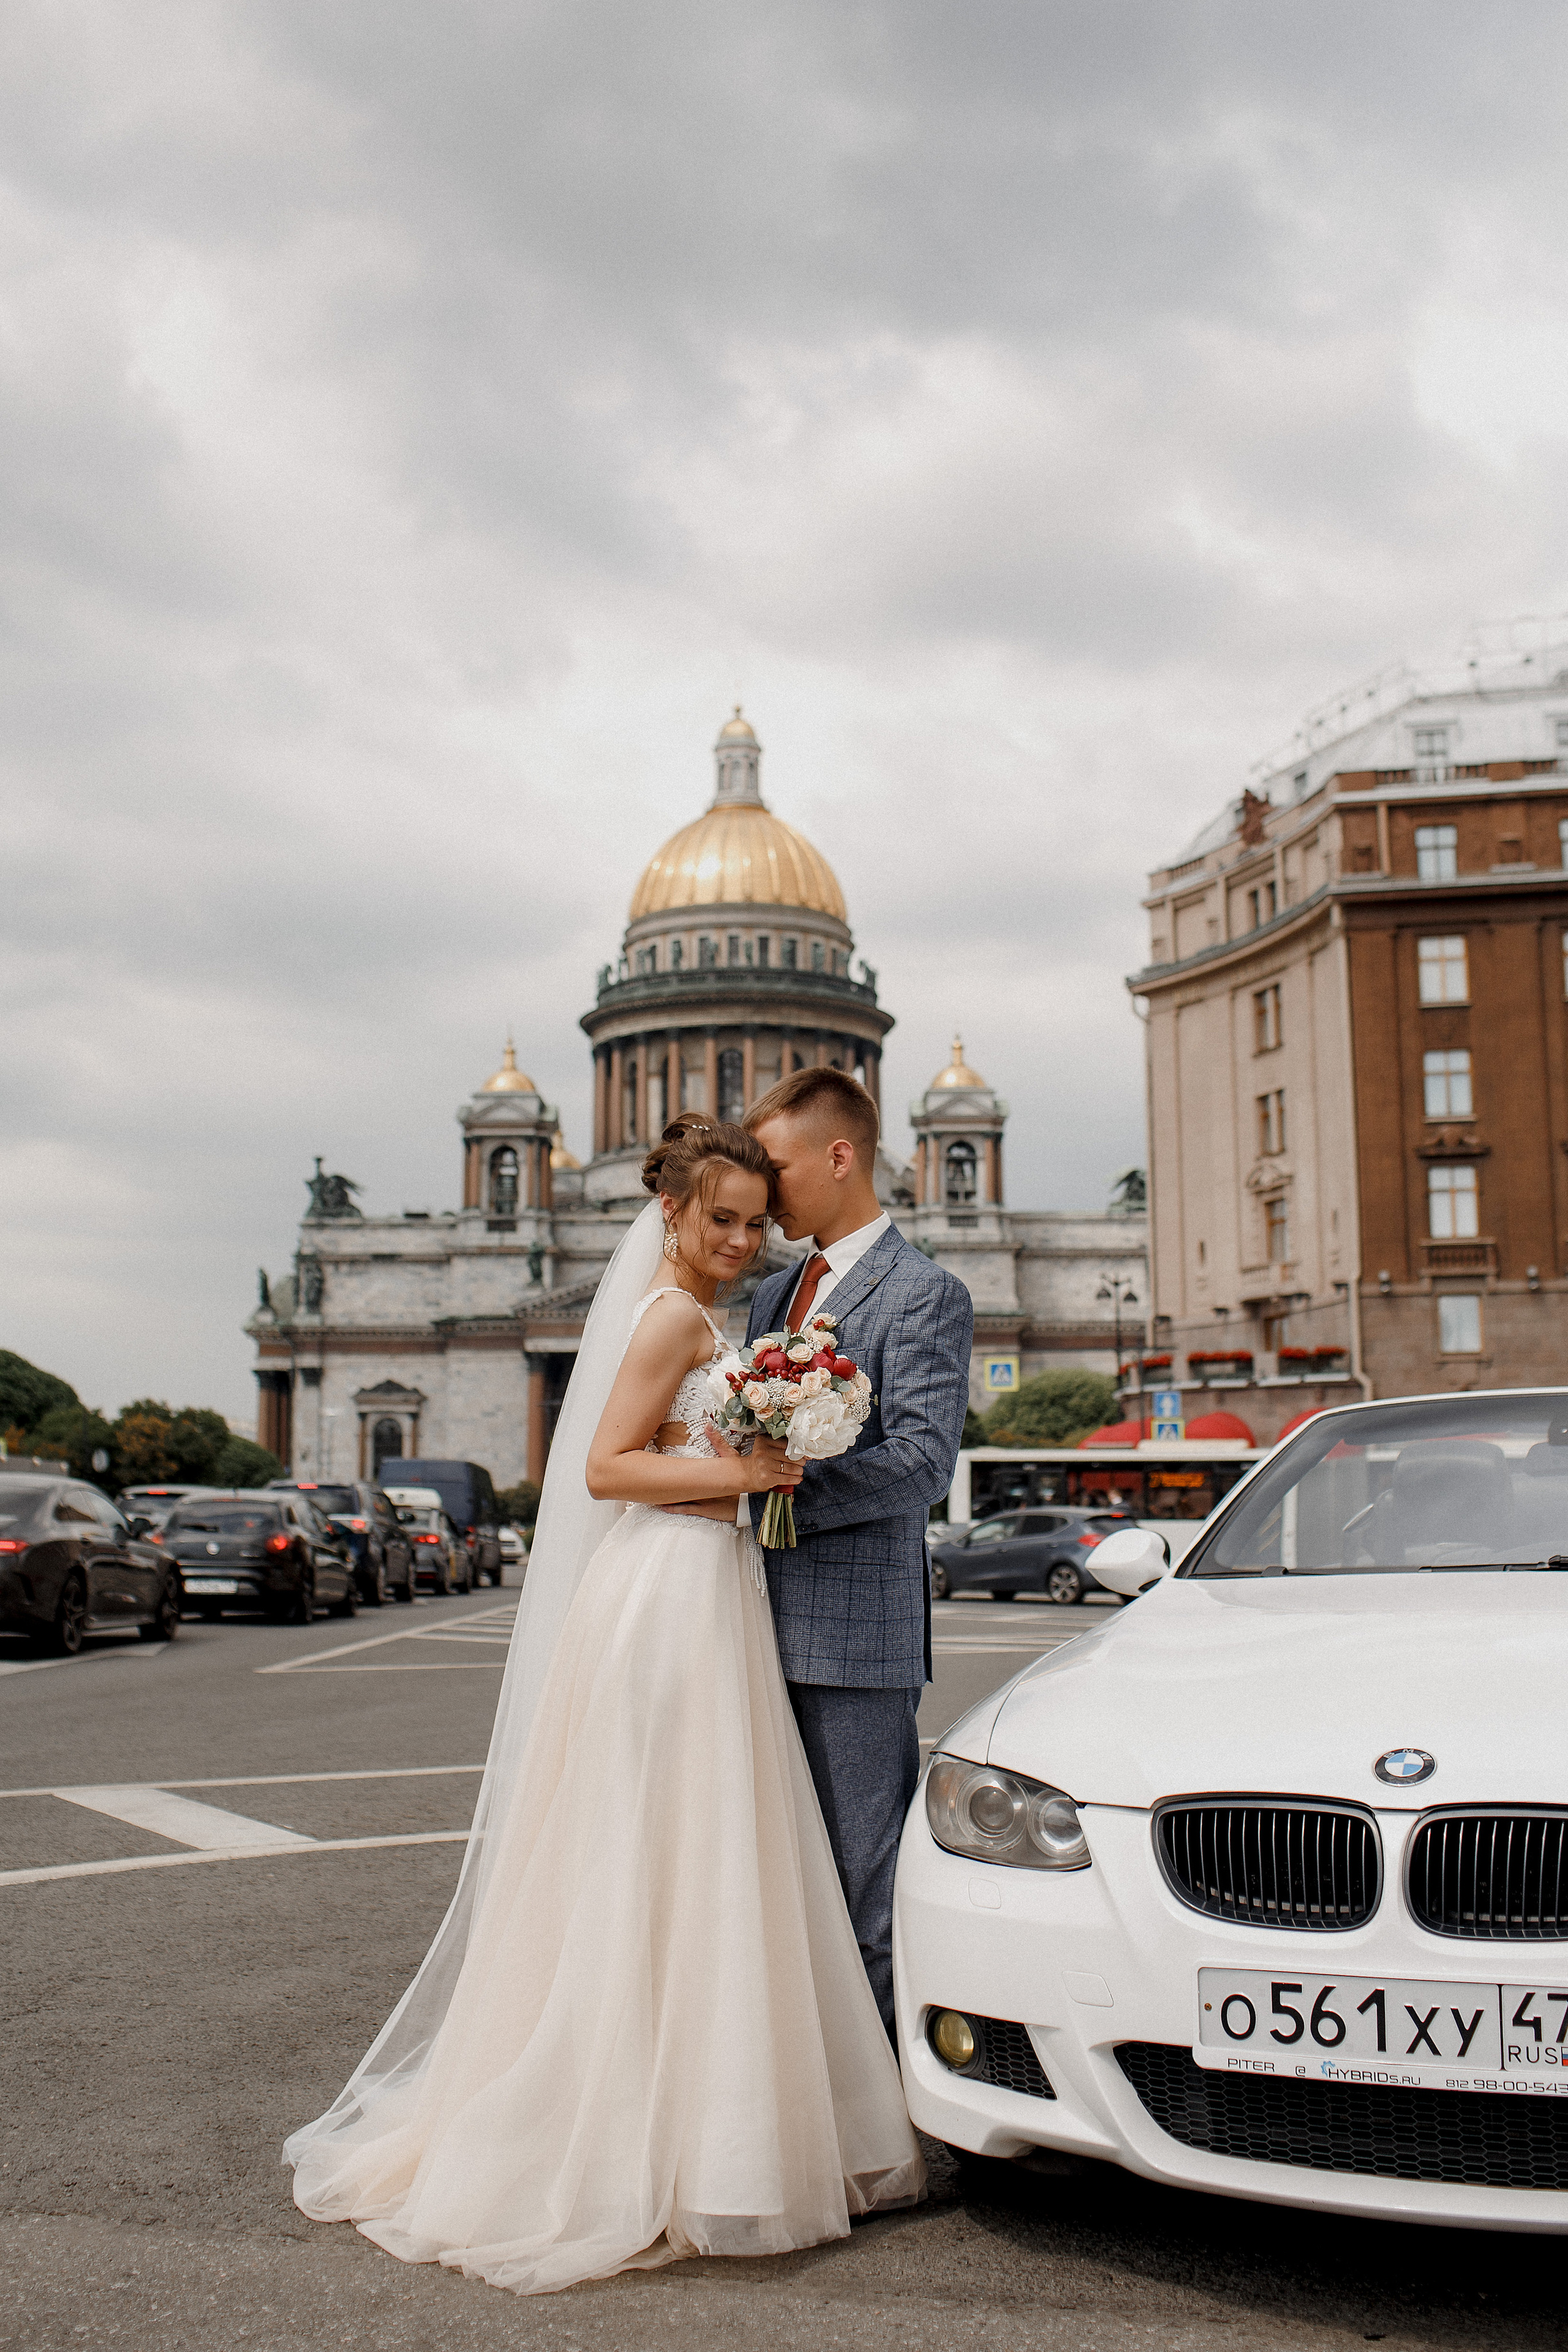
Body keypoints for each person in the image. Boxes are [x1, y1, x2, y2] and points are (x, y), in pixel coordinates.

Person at [284, 1114, 924, 2297]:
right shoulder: (675, 1317)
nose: (742, 1241)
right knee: (678, 1850)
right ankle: (674, 2137)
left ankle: (687, 2122)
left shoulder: (728, 1311)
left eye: (754, 1222)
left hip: (708, 1591)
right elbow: (605, 1469)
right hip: (673, 1597)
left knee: (685, 1853)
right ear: (670, 1212)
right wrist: (750, 1472)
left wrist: (767, 1460)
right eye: (720, 1218)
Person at [671, 1068, 973, 2037]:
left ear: (840, 1157)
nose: (764, 1191)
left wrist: (775, 1493)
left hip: (852, 1644)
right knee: (773, 1884)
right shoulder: (772, 1293)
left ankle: (889, 2097)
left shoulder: (924, 1292)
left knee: (863, 1883)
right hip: (749, 1625)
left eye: (778, 1166)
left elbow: (922, 1463)